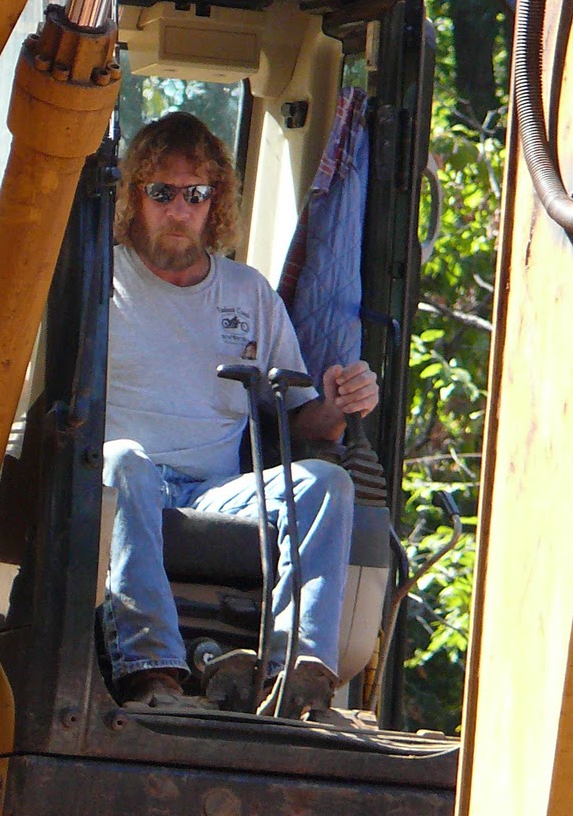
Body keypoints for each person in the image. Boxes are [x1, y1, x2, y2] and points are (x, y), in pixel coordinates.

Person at [103, 111, 379, 714]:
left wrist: (337, 404)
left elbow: (302, 422)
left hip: (214, 491)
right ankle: (152, 669)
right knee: (125, 463)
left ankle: (296, 669)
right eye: (162, 192)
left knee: (328, 482)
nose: (180, 209)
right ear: (134, 198)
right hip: (121, 482)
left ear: (216, 202)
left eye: (196, 194)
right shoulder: (99, 277)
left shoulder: (249, 294)